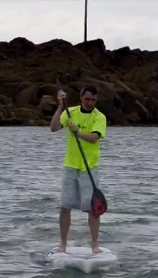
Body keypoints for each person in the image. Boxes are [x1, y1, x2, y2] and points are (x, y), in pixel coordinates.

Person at [49, 85, 107, 254]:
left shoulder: (99, 117)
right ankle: (63, 244)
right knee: (65, 207)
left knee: (92, 208)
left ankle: (95, 244)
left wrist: (78, 133)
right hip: (70, 166)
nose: (90, 103)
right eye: (87, 99)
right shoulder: (70, 112)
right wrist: (60, 106)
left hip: (90, 167)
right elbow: (53, 128)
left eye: (93, 100)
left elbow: (94, 138)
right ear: (81, 98)